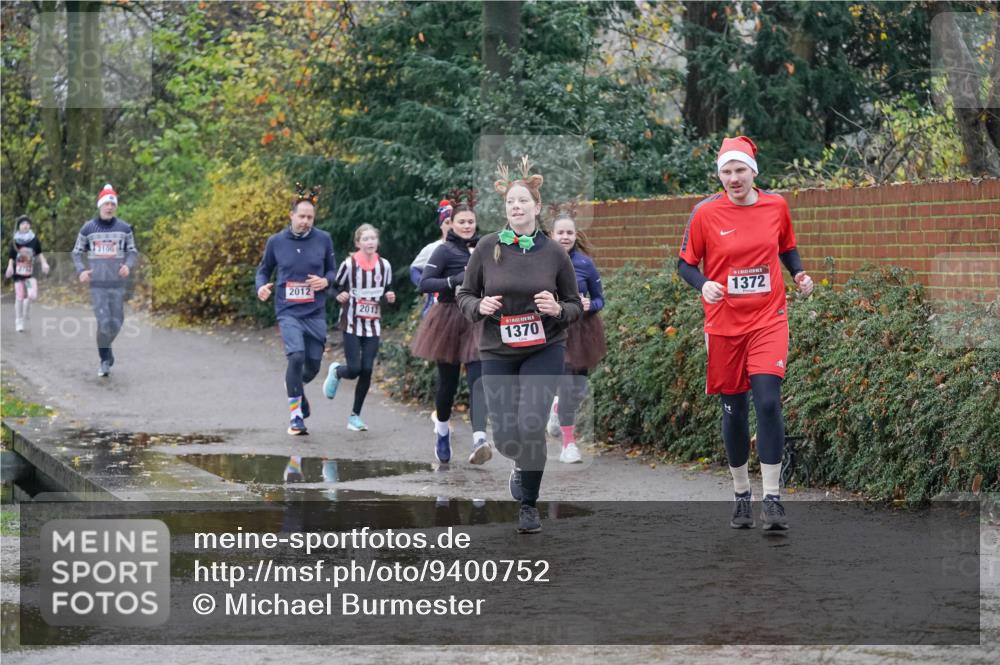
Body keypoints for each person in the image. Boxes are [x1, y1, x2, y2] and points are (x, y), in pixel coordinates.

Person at [676, 136, 814, 531]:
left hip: (769, 319)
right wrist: (703, 284)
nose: (733, 178)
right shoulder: (704, 213)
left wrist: (798, 273)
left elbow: (787, 247)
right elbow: (684, 264)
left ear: (754, 172)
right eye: (726, 171)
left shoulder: (776, 206)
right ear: (719, 174)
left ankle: (772, 497)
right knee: (734, 410)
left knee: (768, 401)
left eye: (740, 170)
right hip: (723, 325)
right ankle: (741, 494)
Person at [456, 157, 582, 534]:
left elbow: (575, 306)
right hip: (497, 349)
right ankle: (516, 462)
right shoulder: (486, 247)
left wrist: (558, 308)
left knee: (531, 425)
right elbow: (464, 295)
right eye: (511, 201)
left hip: (544, 347)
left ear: (536, 207)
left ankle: (529, 504)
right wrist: (480, 306)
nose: (516, 206)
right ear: (505, 208)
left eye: (523, 201)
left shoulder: (555, 253)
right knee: (508, 434)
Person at [410, 193, 491, 465]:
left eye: (470, 221)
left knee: (478, 382)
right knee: (448, 383)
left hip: (477, 319)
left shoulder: (483, 248)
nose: (467, 226)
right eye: (462, 222)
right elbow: (424, 284)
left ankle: (480, 438)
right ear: (452, 224)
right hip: (448, 319)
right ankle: (442, 432)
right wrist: (455, 279)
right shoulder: (444, 250)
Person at [255, 184, 337, 436]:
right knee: (296, 356)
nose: (305, 221)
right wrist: (261, 287)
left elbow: (333, 270)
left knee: (312, 366)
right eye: (301, 216)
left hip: (314, 312)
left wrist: (326, 281)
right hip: (288, 310)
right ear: (291, 216)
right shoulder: (276, 242)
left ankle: (295, 387)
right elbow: (263, 270)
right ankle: (295, 417)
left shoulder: (323, 239)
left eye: (310, 217)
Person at [546, 204, 606, 464]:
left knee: (577, 389)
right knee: (567, 385)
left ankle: (557, 409)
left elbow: (600, 299)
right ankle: (568, 445)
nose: (565, 237)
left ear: (575, 235)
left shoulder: (585, 264)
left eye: (570, 232)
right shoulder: (542, 262)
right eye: (561, 232)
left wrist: (589, 306)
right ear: (552, 235)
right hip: (553, 331)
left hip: (582, 331)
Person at [323, 223, 396, 431]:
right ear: (358, 243)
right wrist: (339, 295)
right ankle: (337, 372)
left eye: (373, 238)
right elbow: (333, 287)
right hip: (352, 322)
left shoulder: (385, 266)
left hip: (373, 324)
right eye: (365, 239)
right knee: (354, 369)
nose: (370, 242)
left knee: (367, 370)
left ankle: (355, 416)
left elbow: (388, 290)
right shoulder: (349, 264)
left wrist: (390, 297)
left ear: (377, 242)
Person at [71, 184, 139, 377]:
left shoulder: (124, 228)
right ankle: (104, 360)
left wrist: (128, 265)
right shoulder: (88, 229)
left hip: (117, 283)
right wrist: (81, 270)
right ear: (100, 205)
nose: (109, 207)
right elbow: (76, 253)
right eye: (106, 203)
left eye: (112, 203)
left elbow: (132, 251)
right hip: (98, 284)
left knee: (117, 322)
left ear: (115, 207)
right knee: (103, 321)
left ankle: (105, 347)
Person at [6, 215, 50, 333]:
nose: (25, 225)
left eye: (27, 223)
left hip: (30, 274)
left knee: (32, 295)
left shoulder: (34, 239)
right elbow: (11, 256)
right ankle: (19, 321)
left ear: (30, 225)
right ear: (19, 226)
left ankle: (26, 310)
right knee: (19, 297)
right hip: (18, 274)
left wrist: (44, 263)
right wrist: (10, 267)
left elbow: (39, 253)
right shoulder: (15, 241)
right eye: (22, 223)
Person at [409, 200, 452, 318]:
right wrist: (424, 284)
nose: (451, 226)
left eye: (454, 222)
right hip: (433, 309)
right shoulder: (431, 248)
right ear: (441, 225)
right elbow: (414, 269)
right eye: (447, 222)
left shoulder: (470, 249)